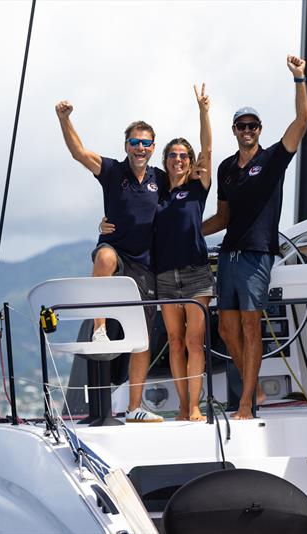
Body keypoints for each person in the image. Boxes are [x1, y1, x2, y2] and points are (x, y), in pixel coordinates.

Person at [202, 55, 307, 419]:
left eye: (252, 125)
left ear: (260, 129)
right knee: (226, 330)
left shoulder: (274, 158)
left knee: (251, 328)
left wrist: (299, 78)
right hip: (228, 255)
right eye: (241, 126)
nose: (247, 130)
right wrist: (187, 231)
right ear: (234, 130)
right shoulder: (226, 168)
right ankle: (255, 387)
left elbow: (303, 121)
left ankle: (247, 402)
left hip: (257, 255)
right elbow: (223, 217)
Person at [101, 84, 213, 421]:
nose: (178, 159)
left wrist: (203, 111)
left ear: (191, 162)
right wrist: (105, 224)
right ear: (164, 161)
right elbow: (131, 211)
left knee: (194, 341)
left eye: (184, 156)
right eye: (173, 155)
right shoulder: (159, 190)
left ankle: (194, 406)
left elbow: (208, 148)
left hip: (195, 273)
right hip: (163, 275)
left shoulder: (198, 187)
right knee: (175, 342)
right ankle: (183, 406)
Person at [55, 101, 165, 423]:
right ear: (126, 145)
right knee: (103, 256)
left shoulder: (160, 178)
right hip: (116, 252)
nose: (140, 148)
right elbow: (79, 153)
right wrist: (64, 119)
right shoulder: (113, 171)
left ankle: (134, 408)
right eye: (135, 142)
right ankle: (99, 329)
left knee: (142, 338)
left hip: (145, 264)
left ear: (153, 147)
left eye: (146, 143)